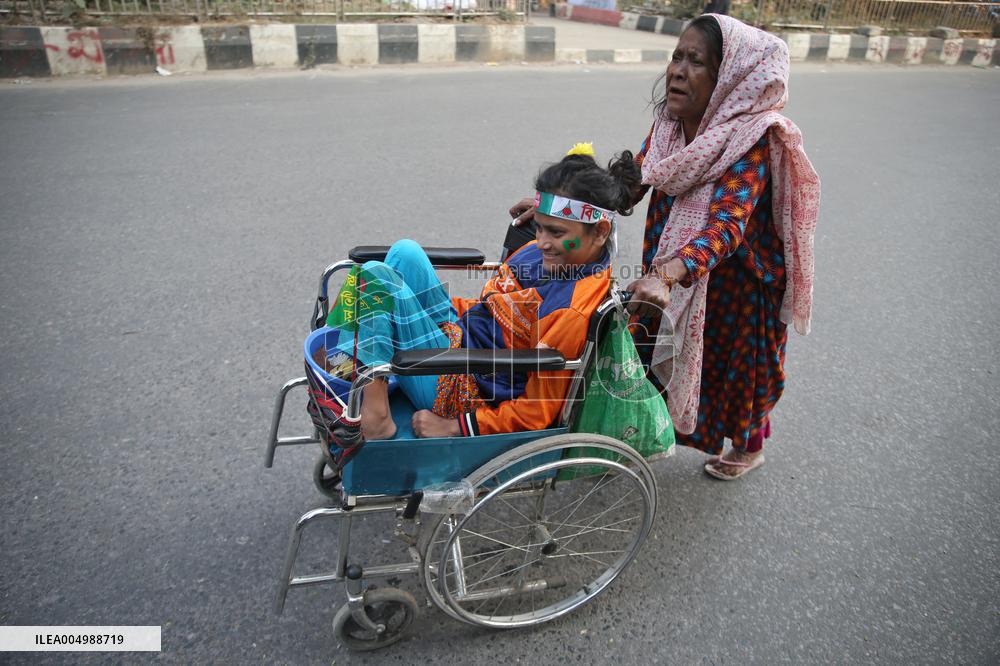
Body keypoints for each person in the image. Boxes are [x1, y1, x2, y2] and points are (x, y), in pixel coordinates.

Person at [511, 15, 820, 480]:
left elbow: (726, 229)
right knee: (655, 354)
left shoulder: (752, 137)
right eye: (677, 56)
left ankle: (750, 444)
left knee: (739, 376)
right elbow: (626, 187)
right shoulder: (669, 128)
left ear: (728, 79)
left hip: (739, 283)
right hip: (674, 265)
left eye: (695, 61)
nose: (677, 70)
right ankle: (644, 433)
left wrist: (666, 275)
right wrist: (557, 211)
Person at [338, 145, 641, 441]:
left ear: (600, 232)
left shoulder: (571, 309)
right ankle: (352, 359)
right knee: (405, 252)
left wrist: (454, 427)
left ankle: (376, 419)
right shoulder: (543, 254)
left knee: (375, 280)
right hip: (462, 341)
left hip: (466, 387)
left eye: (556, 232)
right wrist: (422, 312)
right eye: (539, 227)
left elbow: (537, 412)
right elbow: (494, 307)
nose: (543, 242)